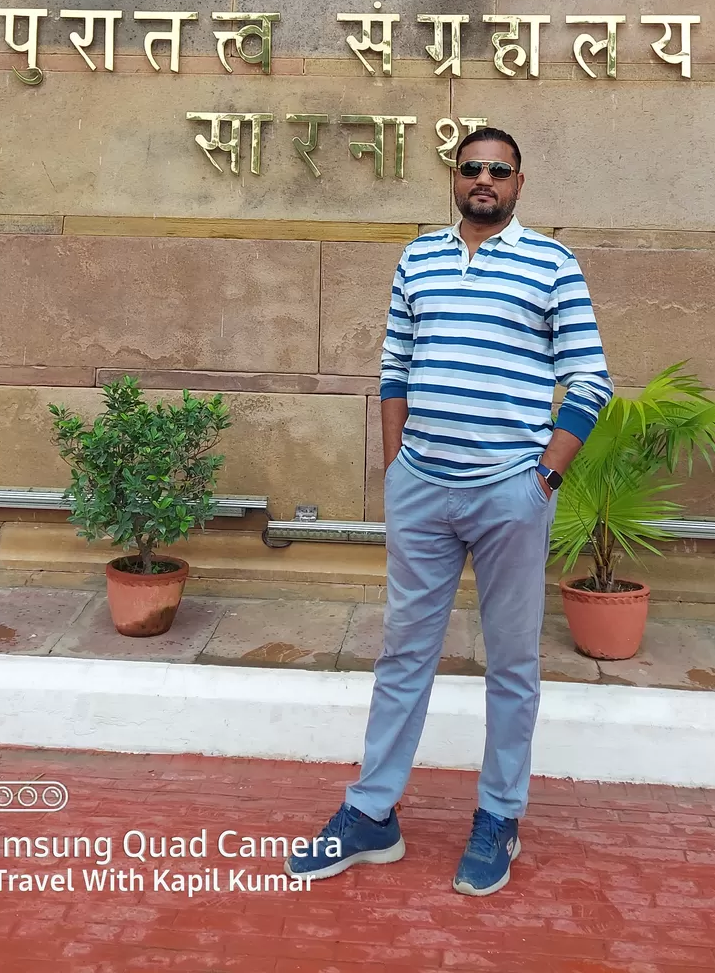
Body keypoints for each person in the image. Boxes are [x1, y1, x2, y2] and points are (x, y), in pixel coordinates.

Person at [286, 126, 613, 897]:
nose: (484, 180)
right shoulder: (419, 258)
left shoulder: (552, 264)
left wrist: (544, 479)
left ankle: (499, 817)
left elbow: (591, 382)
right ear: (454, 179)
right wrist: (398, 465)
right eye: (471, 169)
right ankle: (372, 815)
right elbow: (394, 367)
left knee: (512, 665)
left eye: (499, 170)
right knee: (403, 653)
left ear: (520, 184)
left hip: (511, 490)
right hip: (423, 489)